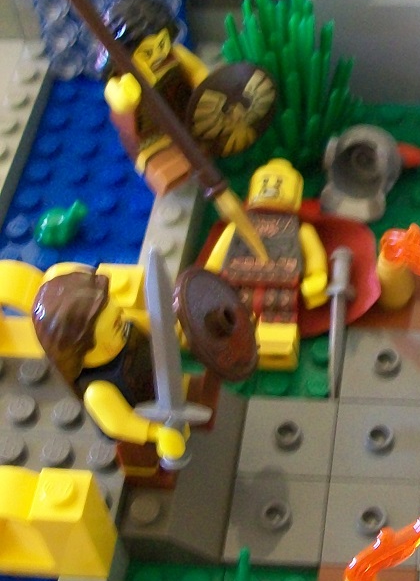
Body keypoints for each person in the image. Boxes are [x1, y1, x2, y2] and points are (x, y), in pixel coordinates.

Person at [32, 267, 186, 464]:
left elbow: (160, 327)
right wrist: (157, 433)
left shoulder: (128, 327)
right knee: (143, 458)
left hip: (164, 393)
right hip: (138, 437)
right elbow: (120, 424)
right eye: (117, 327)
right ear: (82, 351)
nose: (124, 322)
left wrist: (178, 323)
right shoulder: (98, 391)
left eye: (120, 317)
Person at [205, 158, 329, 370]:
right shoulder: (237, 226)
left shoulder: (299, 229)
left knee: (277, 320)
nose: (271, 188)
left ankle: (274, 349)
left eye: (279, 183)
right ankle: (228, 346)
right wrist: (209, 277)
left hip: (282, 287)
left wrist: (317, 276)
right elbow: (217, 257)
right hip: (237, 283)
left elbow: (314, 255)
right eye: (266, 182)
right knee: (230, 317)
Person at [98, 0, 209, 194]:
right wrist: (129, 87)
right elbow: (121, 101)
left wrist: (205, 92)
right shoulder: (120, 81)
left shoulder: (175, 55)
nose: (158, 54)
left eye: (162, 44)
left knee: (208, 146)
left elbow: (198, 73)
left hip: (185, 119)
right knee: (168, 168)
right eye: (147, 53)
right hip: (151, 138)